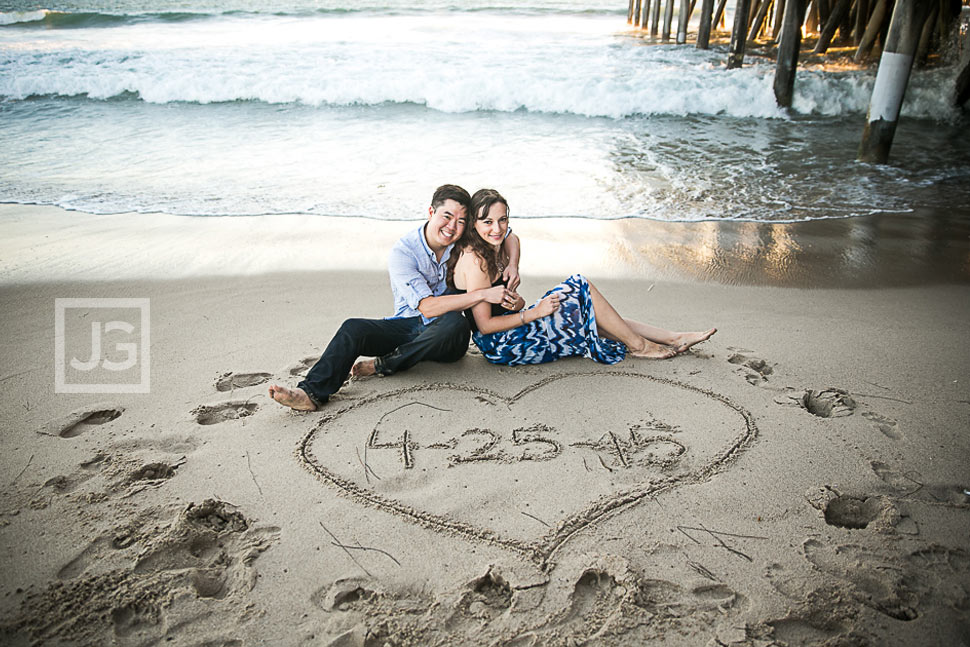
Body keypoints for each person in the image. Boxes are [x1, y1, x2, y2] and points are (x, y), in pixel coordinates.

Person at [269, 184, 521, 411]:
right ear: (431, 212)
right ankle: (310, 393)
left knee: (455, 322)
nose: (453, 227)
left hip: (449, 337)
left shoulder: (462, 237)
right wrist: (483, 294)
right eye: (447, 217)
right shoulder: (404, 252)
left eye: (461, 221)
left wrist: (513, 266)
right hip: (408, 326)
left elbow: (507, 234)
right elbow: (428, 308)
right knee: (353, 328)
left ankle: (385, 364)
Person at [448, 188, 716, 366]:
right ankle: (639, 345)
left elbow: (512, 239)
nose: (497, 228)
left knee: (590, 311)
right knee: (580, 286)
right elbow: (484, 327)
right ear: (473, 223)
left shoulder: (495, 242)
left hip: (515, 326)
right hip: (503, 345)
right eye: (488, 222)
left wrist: (514, 266)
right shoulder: (476, 261)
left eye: (503, 220)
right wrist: (532, 313)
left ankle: (672, 337)